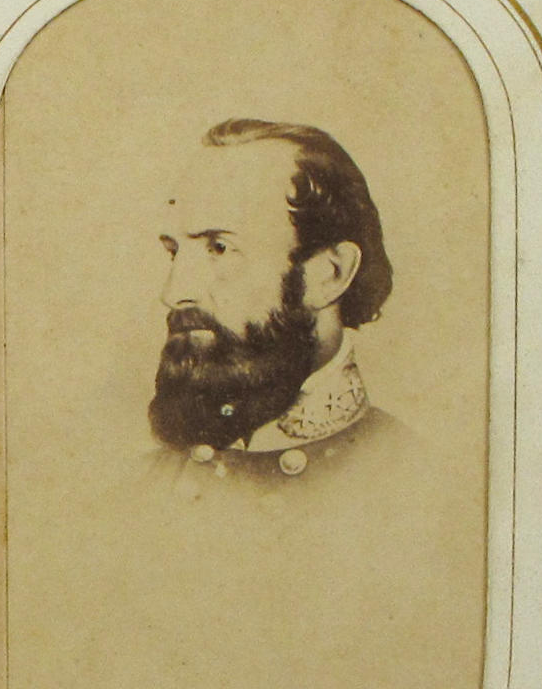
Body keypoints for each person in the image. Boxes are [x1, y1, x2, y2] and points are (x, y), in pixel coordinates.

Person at [148, 117, 402, 494]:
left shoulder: (415, 483)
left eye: (219, 248)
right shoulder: (138, 490)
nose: (173, 294)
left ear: (330, 274)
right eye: (175, 252)